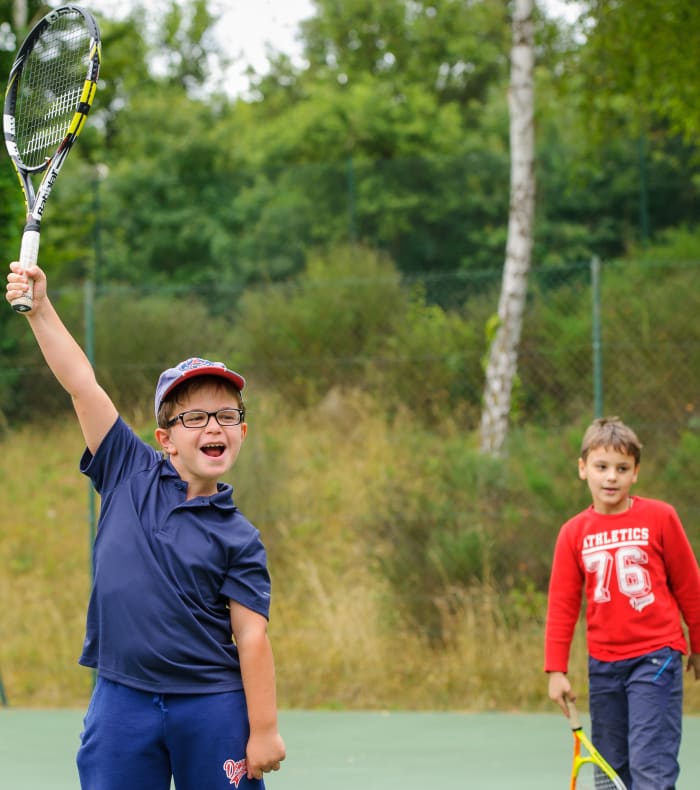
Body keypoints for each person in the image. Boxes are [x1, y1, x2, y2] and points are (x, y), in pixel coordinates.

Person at [6, 261, 286, 790]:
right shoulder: (127, 471)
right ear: (165, 438)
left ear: (242, 432)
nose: (213, 426)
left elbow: (252, 638)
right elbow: (82, 385)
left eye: (226, 416)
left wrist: (264, 730)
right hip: (122, 699)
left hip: (212, 706)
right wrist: (40, 310)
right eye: (195, 417)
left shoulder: (240, 539)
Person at [544, 416, 700, 789]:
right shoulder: (572, 534)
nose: (611, 477)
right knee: (611, 772)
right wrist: (556, 670)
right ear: (583, 469)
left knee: (651, 765)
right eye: (601, 467)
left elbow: (689, 586)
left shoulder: (661, 518)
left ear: (635, 473)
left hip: (656, 658)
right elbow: (562, 605)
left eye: (621, 468)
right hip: (604, 666)